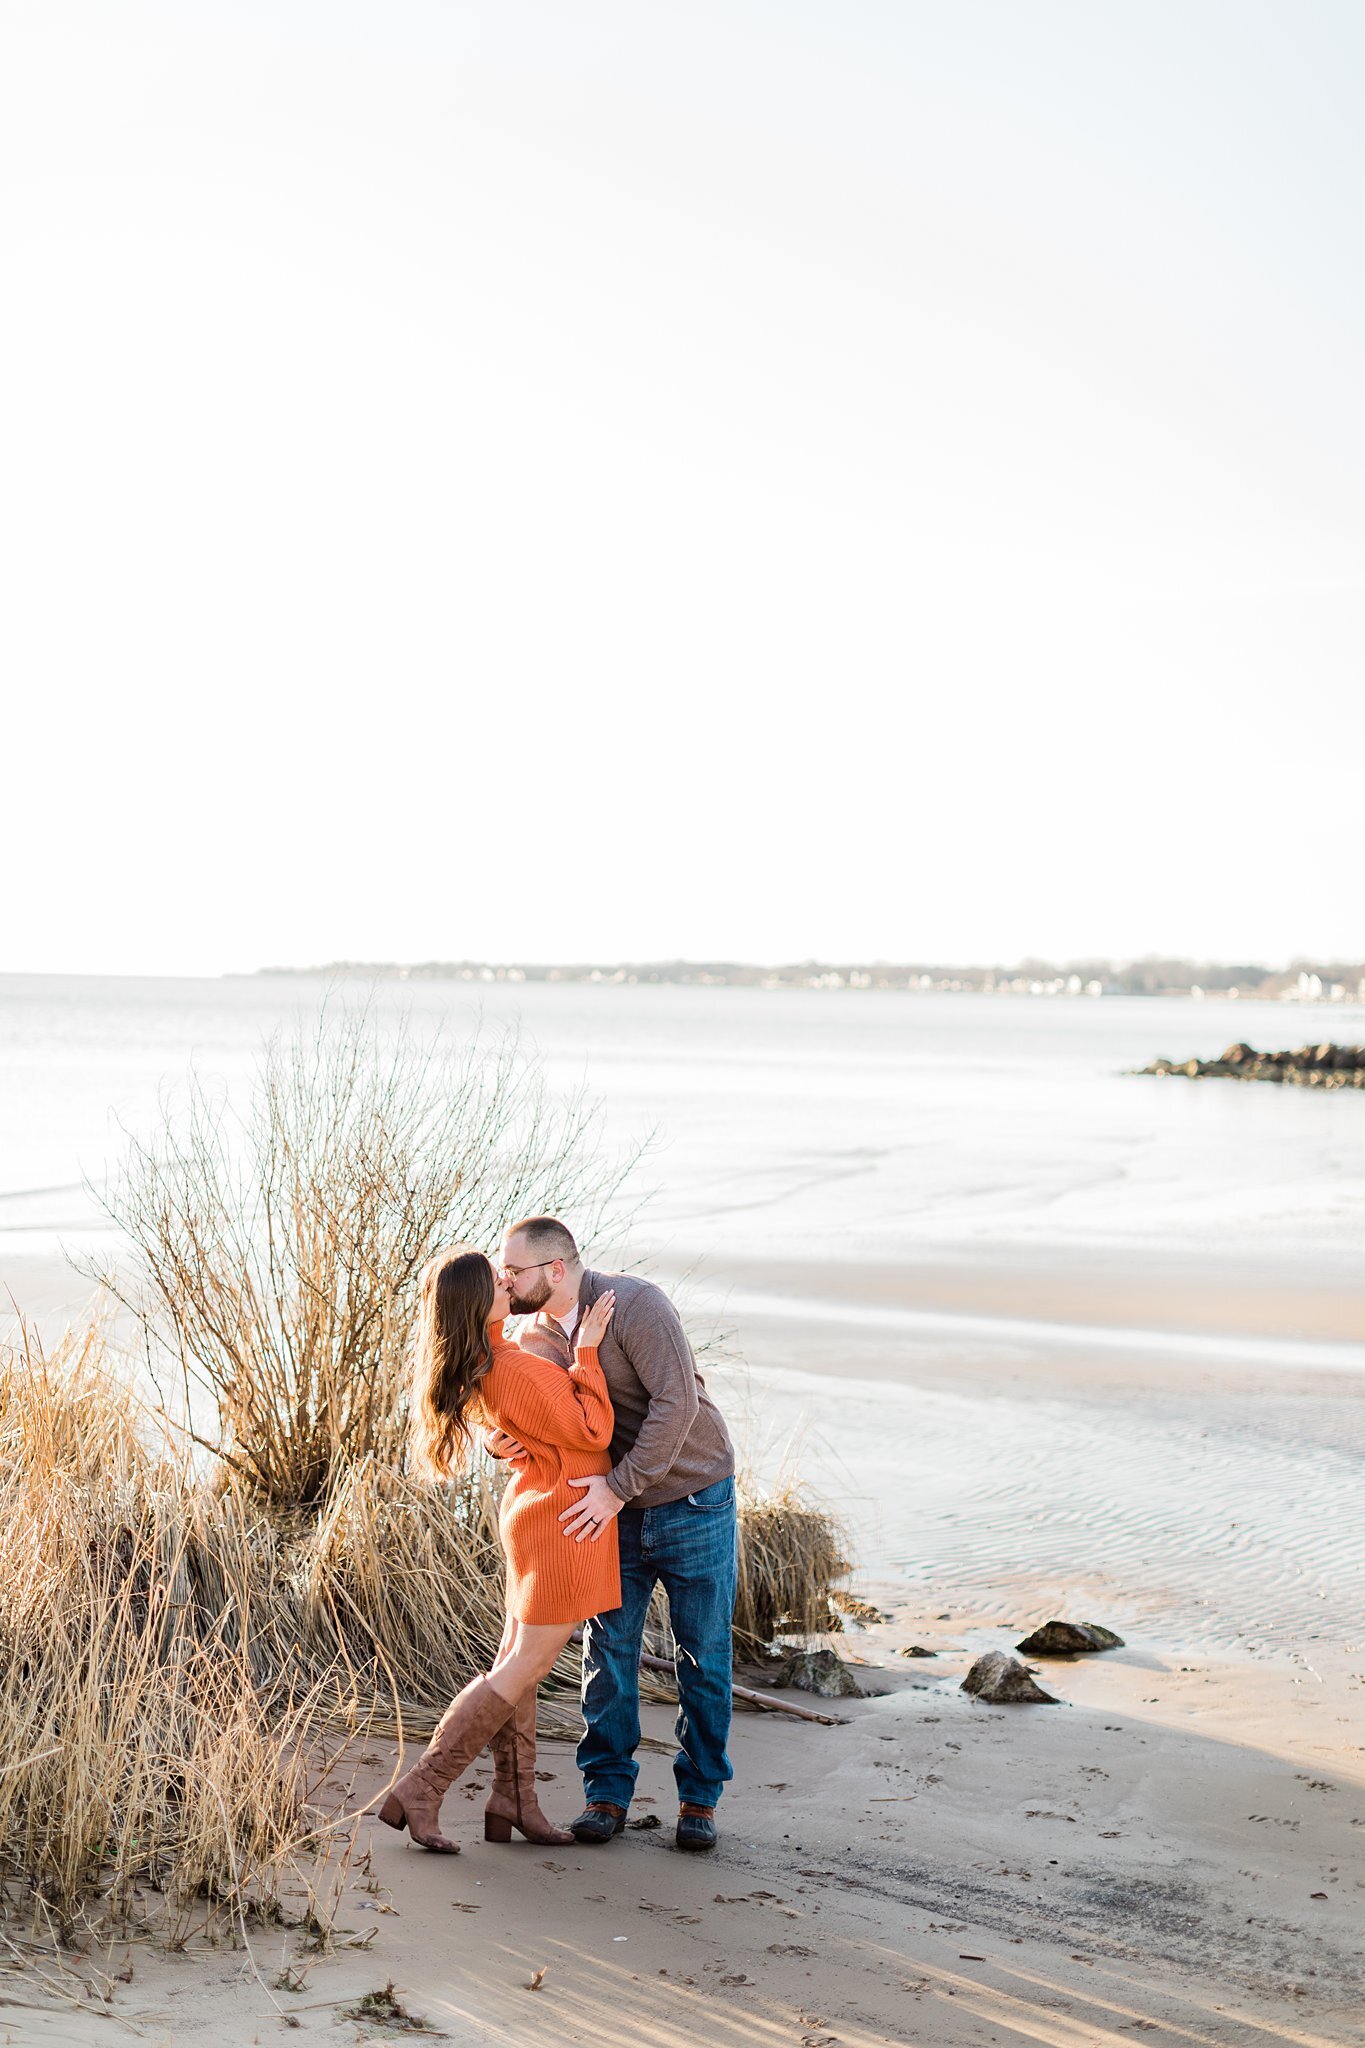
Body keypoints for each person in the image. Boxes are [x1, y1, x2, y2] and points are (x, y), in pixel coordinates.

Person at [491, 1216, 737, 1852]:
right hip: (610, 1511)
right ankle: (606, 1792)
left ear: (554, 1270)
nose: (505, 1280)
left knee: (703, 1655)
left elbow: (675, 1405)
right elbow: (554, 1416)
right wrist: (506, 1440)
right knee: (608, 1651)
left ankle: (699, 1799)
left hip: (694, 1496)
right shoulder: (534, 1335)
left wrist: (618, 1487)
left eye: (513, 1270)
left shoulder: (635, 1304)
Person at [378, 1245, 619, 1853]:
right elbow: (594, 1430)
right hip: (563, 1524)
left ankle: (515, 1799)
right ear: (478, 1301)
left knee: (519, 1665)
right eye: (497, 1278)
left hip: (543, 1512)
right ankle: (424, 1788)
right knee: (519, 1668)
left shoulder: (499, 1361)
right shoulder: (512, 1367)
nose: (508, 1280)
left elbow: (534, 1426)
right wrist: (586, 1350)